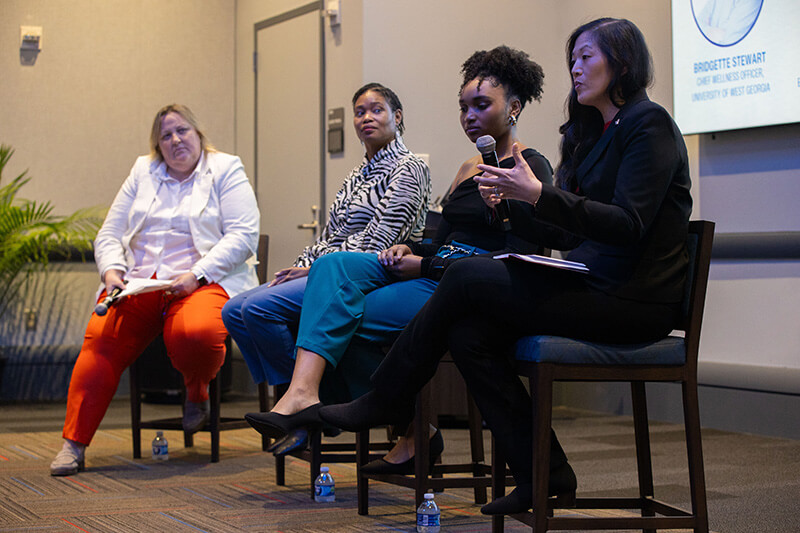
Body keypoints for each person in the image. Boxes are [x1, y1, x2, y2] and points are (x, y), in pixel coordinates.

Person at [320, 17, 693, 517]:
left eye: (586, 57)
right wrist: (514, 204)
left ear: (623, 62)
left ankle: (387, 395)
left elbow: (629, 223)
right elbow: (564, 235)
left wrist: (538, 193)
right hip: (594, 285)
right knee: (469, 334)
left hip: (635, 298)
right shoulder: (589, 135)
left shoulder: (650, 125)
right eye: (573, 60)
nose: (576, 70)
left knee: (468, 275)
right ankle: (545, 473)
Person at [244, 46, 553, 466]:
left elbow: (520, 254)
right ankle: (309, 397)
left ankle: (406, 428)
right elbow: (443, 237)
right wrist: (411, 249)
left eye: (482, 105)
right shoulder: (467, 168)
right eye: (463, 107)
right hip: (433, 272)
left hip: (469, 289)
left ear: (514, 107)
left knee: (341, 319)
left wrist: (425, 263)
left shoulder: (531, 167)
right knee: (332, 268)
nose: (469, 116)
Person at [50, 104, 260, 476]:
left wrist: (197, 273)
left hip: (203, 280)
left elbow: (243, 236)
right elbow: (110, 234)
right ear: (158, 145)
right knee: (101, 339)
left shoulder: (226, 168)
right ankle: (74, 443)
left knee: (195, 334)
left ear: (198, 134)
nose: (176, 140)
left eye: (183, 131)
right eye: (166, 135)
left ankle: (197, 392)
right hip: (141, 282)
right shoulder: (142, 171)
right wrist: (112, 270)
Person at [221, 83, 431, 414]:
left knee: (258, 309)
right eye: (359, 112)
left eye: (377, 110)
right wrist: (302, 264)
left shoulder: (409, 167)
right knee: (233, 311)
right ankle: (304, 396)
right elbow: (328, 236)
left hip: (372, 271)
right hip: (331, 268)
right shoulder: (355, 176)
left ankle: (307, 403)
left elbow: (379, 240)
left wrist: (314, 269)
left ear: (397, 116)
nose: (366, 118)